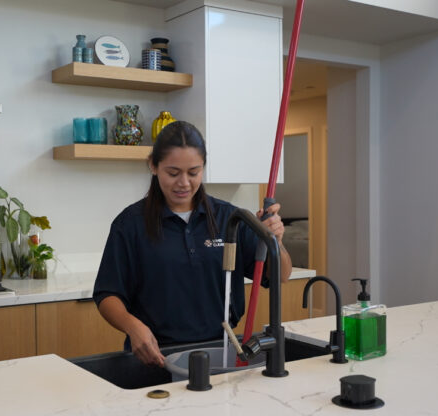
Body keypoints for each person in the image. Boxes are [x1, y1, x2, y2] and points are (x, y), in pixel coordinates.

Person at [92, 121, 293, 367]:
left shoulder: (230, 219)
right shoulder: (130, 224)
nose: (184, 183)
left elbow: (280, 275)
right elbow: (107, 294)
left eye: (193, 172)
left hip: (221, 351)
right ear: (153, 166)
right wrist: (133, 327)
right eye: (173, 173)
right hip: (156, 357)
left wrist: (275, 241)